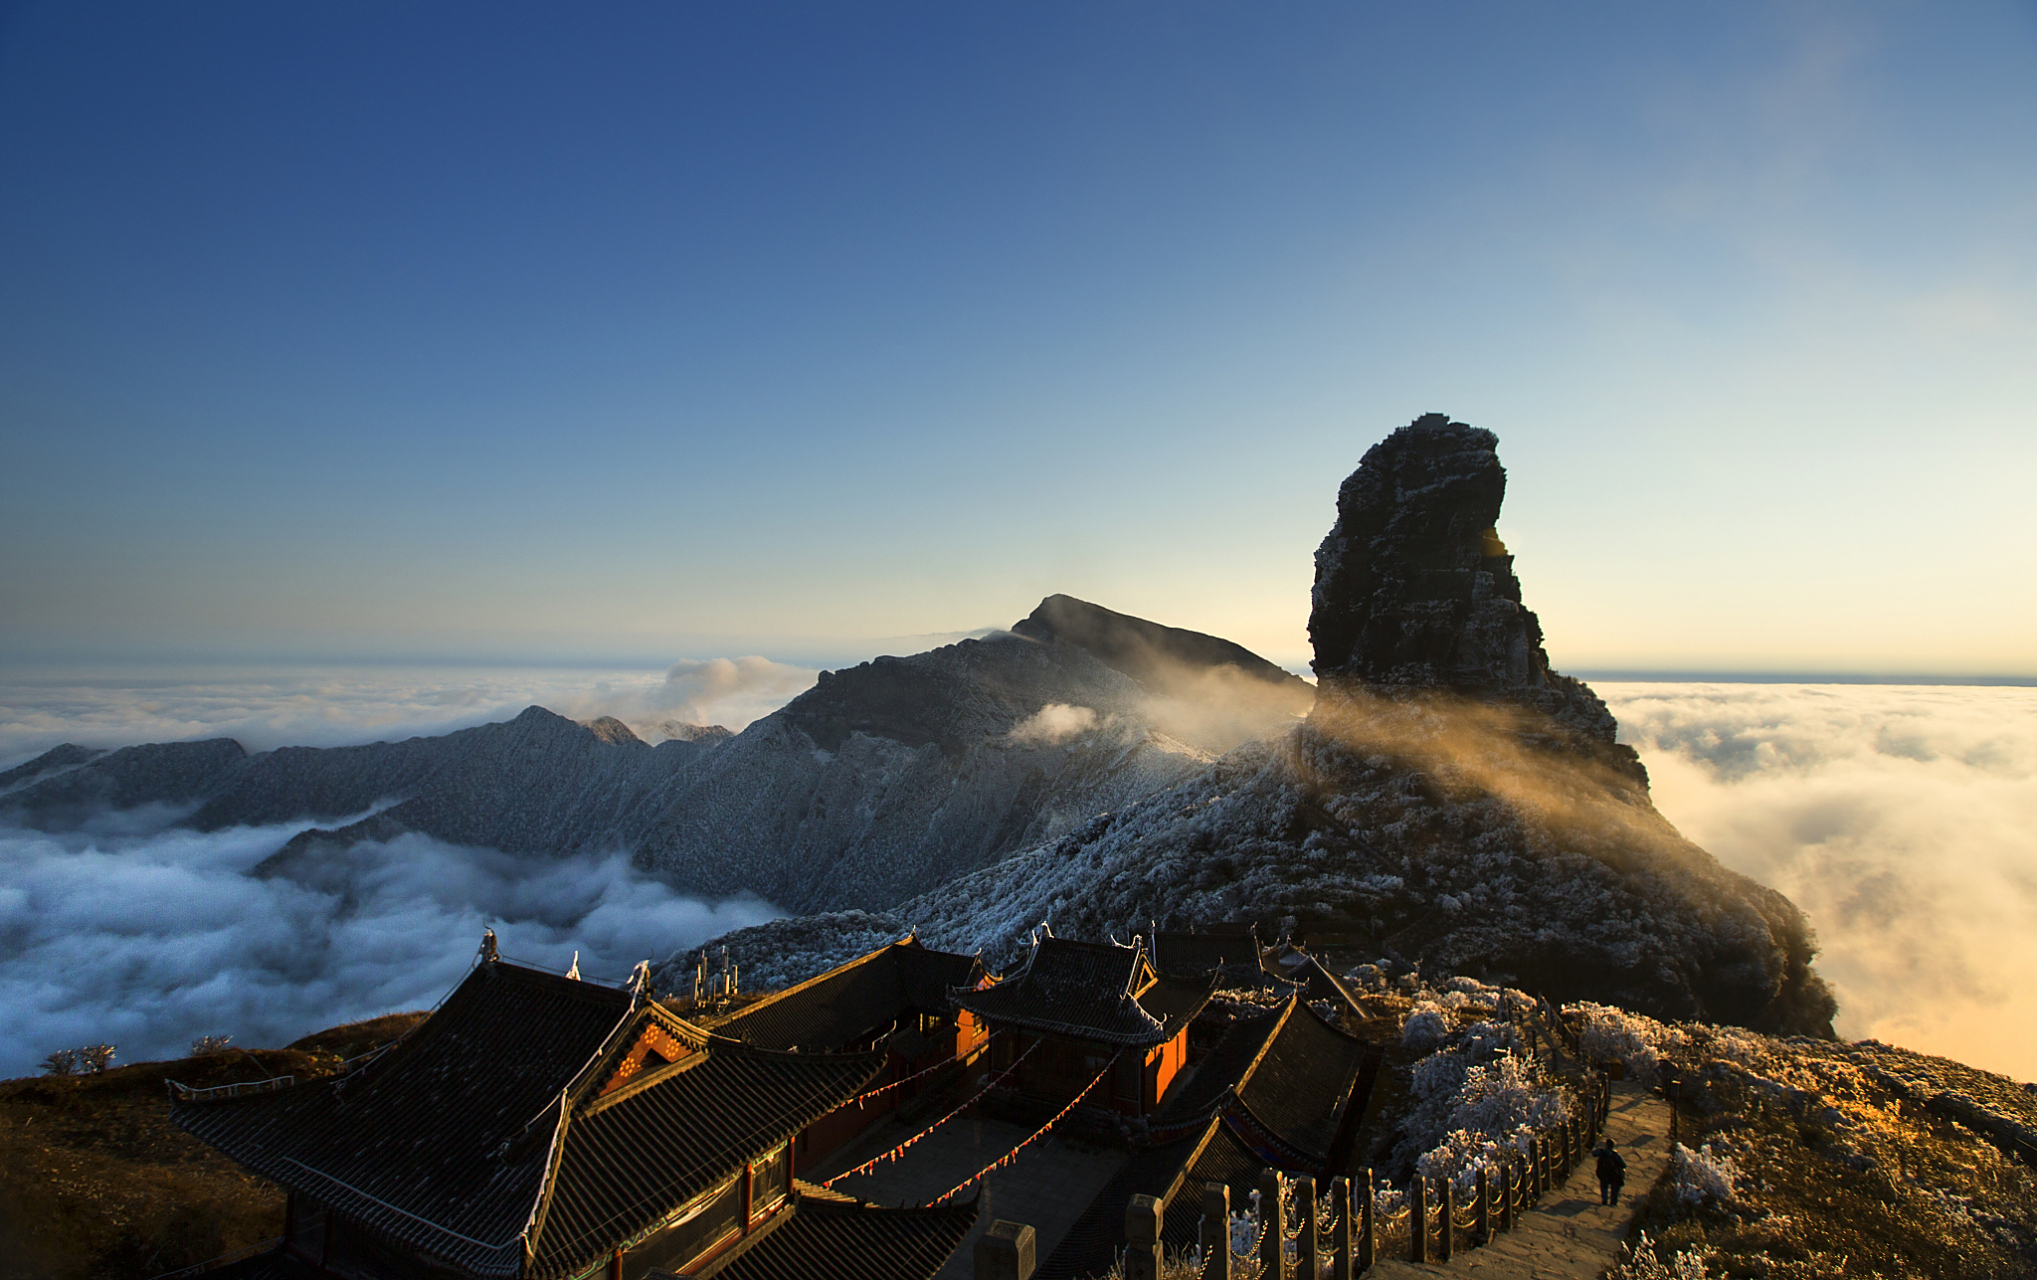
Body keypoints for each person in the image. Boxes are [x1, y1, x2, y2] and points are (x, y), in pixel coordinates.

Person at [1595, 1138, 1627, 1206]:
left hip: (1603, 1173)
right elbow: (1624, 1165)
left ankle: (1604, 1200)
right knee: (1615, 1188)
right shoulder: (1615, 1155)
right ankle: (1613, 1202)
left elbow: (1593, 1153)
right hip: (1613, 1174)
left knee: (1604, 1186)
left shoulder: (1602, 1152)